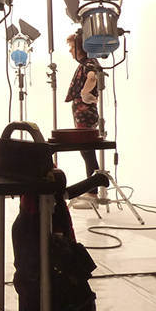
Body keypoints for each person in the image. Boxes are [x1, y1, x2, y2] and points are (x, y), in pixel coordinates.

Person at [65, 31, 101, 208]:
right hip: (83, 114)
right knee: (87, 152)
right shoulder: (87, 63)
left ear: (80, 47)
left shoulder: (89, 63)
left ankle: (92, 194)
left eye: (72, 47)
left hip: (85, 115)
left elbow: (92, 77)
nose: (70, 51)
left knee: (88, 152)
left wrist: (85, 93)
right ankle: (91, 191)